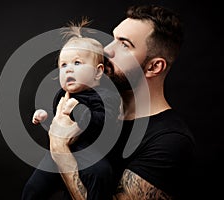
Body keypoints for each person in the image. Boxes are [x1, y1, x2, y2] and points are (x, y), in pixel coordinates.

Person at [48, 4, 196, 200]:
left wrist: (59, 148)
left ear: (153, 67)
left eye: (124, 45)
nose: (107, 50)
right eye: (113, 39)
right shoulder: (93, 109)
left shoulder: (170, 141)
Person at [22, 18, 121, 200]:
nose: (68, 70)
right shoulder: (63, 94)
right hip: (57, 153)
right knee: (33, 189)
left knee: (102, 173)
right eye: (63, 65)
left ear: (98, 72)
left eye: (77, 63)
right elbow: (59, 121)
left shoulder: (106, 96)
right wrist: (45, 116)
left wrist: (78, 110)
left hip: (89, 151)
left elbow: (102, 122)